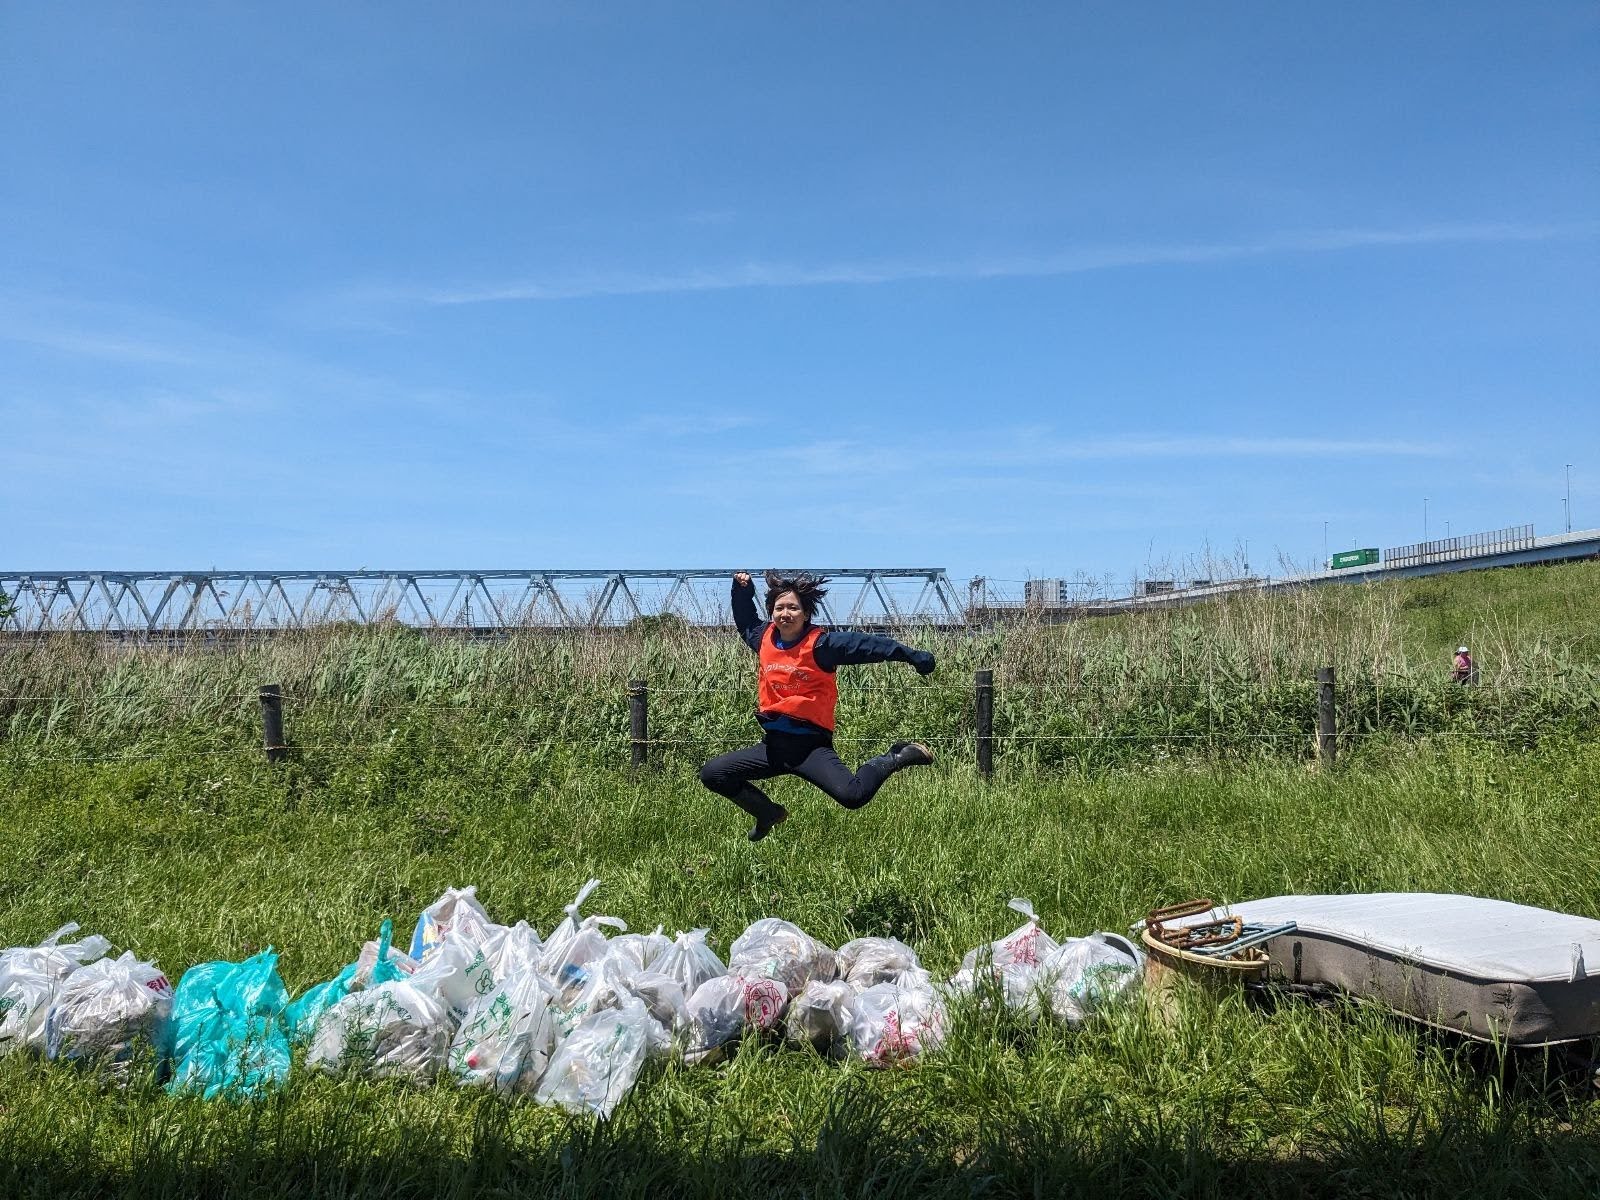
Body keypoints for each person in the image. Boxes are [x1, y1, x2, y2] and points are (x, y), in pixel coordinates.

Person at [699, 570, 938, 841]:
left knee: (853, 796)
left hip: (811, 749)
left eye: (793, 607)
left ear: (806, 613)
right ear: (772, 612)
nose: (785, 613)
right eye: (779, 608)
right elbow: (745, 621)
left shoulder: (823, 645)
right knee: (713, 774)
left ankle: (895, 757)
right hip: (774, 747)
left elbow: (867, 645)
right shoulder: (763, 639)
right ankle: (767, 813)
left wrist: (912, 656)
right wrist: (741, 592)